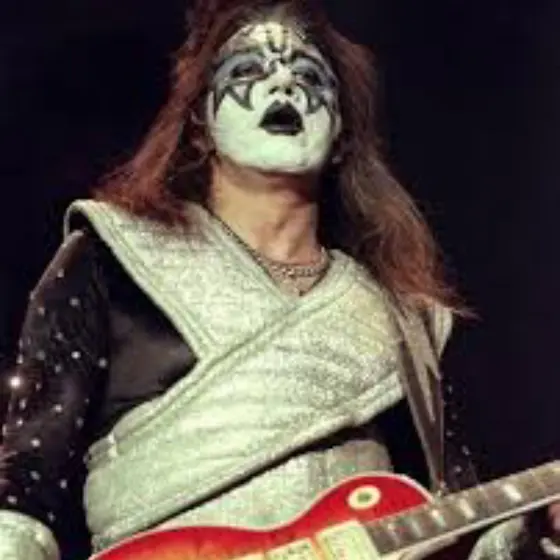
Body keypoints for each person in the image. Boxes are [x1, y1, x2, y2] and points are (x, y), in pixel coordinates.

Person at [0, 1, 558, 558]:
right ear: (200, 124)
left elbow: (457, 522)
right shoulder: (109, 257)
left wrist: (533, 533)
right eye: (247, 71)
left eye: (310, 76)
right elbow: (25, 491)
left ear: (341, 135)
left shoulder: (406, 320)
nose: (284, 84)